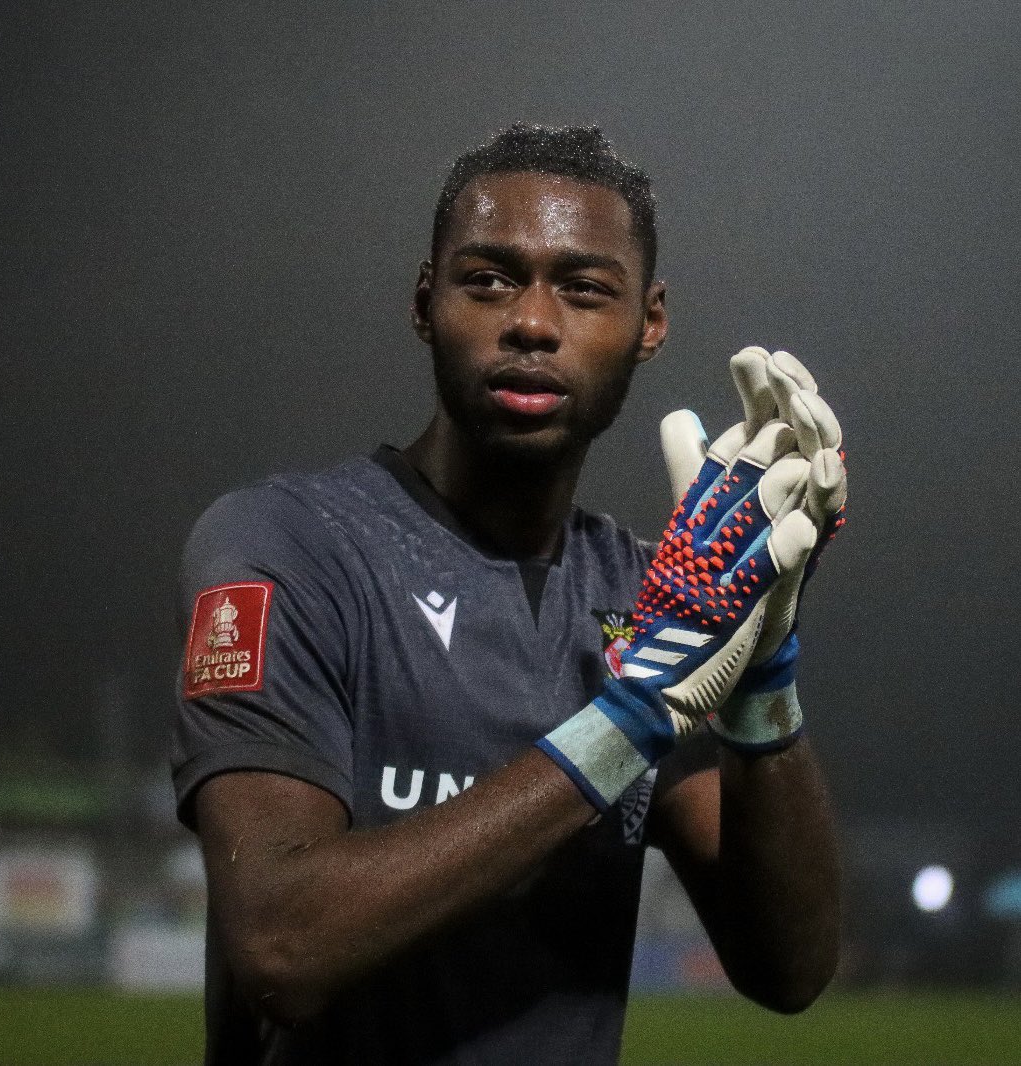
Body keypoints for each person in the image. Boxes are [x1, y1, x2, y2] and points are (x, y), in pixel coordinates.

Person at [171, 123, 846, 1065]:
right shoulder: (289, 545)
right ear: (424, 299)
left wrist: (764, 673)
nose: (532, 321)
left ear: (649, 324)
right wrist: (630, 717)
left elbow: (791, 968)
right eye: (488, 279)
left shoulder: (649, 600)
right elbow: (283, 946)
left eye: (584, 289)